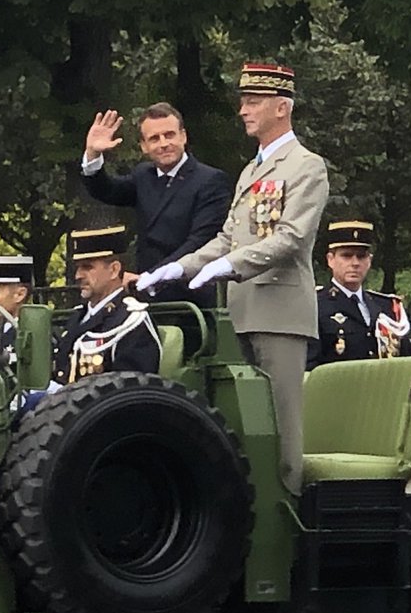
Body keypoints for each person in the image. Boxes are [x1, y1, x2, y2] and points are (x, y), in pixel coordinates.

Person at [137, 63, 329, 495]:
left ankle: (287, 515)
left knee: (281, 428)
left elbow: (292, 237)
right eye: (243, 102)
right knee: (243, 429)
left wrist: (231, 265)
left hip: (279, 313)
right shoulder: (251, 171)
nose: (243, 110)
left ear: (281, 108)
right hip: (239, 312)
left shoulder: (305, 165)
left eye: (253, 102)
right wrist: (180, 267)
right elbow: (226, 237)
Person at [80, 103, 231, 308]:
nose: (163, 144)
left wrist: (151, 276)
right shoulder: (143, 175)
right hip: (146, 297)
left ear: (183, 136)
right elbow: (106, 191)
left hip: (190, 298)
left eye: (169, 135)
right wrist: (93, 154)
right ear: (144, 146)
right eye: (154, 138)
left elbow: (200, 241)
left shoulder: (210, 180)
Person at [53, 225, 161, 386]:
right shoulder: (78, 317)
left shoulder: (130, 321)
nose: (78, 275)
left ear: (114, 270)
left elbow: (132, 390)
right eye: (78, 268)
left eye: (87, 267)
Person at [307, 221, 410, 368]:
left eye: (361, 256)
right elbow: (309, 366)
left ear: (369, 261)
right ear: (330, 260)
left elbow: (406, 361)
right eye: (346, 256)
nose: (355, 263)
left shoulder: (387, 307)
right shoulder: (315, 305)